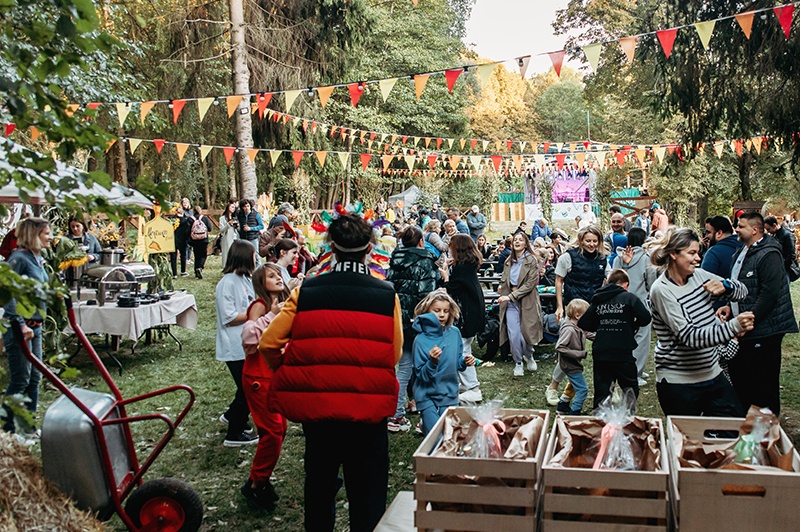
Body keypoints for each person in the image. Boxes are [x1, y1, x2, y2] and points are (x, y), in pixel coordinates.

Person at [259, 213, 403, 532]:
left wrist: (289, 369)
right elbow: (393, 353)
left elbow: (269, 343)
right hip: (368, 412)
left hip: (319, 409)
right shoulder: (385, 294)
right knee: (368, 493)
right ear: (369, 249)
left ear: (331, 247)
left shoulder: (306, 291)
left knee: (320, 487)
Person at [649, 228, 754, 416]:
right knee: (688, 442)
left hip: (712, 374)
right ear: (674, 254)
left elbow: (743, 291)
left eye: (698, 253)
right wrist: (734, 327)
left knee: (734, 430)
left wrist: (726, 287)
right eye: (692, 253)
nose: (698, 258)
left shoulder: (700, 276)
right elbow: (691, 337)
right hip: (678, 383)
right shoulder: (662, 290)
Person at [727, 213, 798, 416]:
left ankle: (766, 432)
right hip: (746, 327)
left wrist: (749, 318)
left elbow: (770, 293)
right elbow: (737, 284)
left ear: (755, 230)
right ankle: (747, 423)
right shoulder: (742, 250)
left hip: (765, 330)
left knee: (763, 385)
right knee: (742, 378)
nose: (737, 230)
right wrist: (728, 306)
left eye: (741, 226)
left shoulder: (769, 254)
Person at [239, 264, 289, 510]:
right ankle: (256, 483)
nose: (278, 278)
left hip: (274, 374)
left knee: (280, 428)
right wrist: (272, 316)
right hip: (259, 376)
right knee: (272, 431)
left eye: (278, 274)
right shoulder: (260, 305)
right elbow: (248, 338)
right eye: (271, 276)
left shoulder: (281, 301)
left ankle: (260, 479)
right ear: (261, 282)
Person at [385, 225, 441, 432]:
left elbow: (389, 288)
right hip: (419, 320)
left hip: (399, 318)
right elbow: (427, 295)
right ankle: (415, 416)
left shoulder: (394, 261)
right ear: (420, 242)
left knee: (405, 367)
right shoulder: (425, 262)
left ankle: (402, 410)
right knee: (424, 367)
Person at [2, 218, 52, 437]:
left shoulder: (37, 258)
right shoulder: (18, 259)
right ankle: (7, 429)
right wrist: (20, 325)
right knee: (20, 379)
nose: (51, 237)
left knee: (34, 378)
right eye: (46, 233)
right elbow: (8, 295)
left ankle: (29, 427)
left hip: (36, 326)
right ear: (34, 235)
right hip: (20, 328)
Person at [546, 226, 606, 406]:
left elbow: (606, 281)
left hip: (594, 309)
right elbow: (559, 280)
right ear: (581, 240)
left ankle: (608, 388)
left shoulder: (602, 259)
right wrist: (559, 307)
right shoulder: (568, 257)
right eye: (588, 241)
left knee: (603, 350)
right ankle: (552, 387)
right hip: (574, 310)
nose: (592, 244)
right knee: (569, 354)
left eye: (595, 241)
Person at [578, 269, 651, 409]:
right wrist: (631, 325)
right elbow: (646, 318)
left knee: (602, 389)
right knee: (630, 387)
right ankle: (627, 416)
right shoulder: (629, 298)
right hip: (622, 350)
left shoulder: (598, 299)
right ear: (625, 284)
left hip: (601, 350)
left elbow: (584, 323)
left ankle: (600, 419)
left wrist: (601, 326)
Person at [215, 240, 260, 447]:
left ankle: (233, 417)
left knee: (246, 387)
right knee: (247, 389)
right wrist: (257, 313)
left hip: (247, 342)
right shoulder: (227, 283)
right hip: (234, 345)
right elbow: (229, 316)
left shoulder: (245, 279)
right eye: (253, 255)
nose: (256, 258)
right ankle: (234, 433)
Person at [412, 290, 476, 434]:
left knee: (448, 435)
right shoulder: (420, 340)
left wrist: (464, 361)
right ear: (427, 311)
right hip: (426, 395)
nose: (442, 315)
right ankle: (427, 423)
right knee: (435, 437)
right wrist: (432, 362)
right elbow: (421, 375)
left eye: (446, 311)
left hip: (449, 393)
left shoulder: (454, 333)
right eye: (437, 310)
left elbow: (457, 362)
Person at [440, 234, 485, 405]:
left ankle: (472, 387)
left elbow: (450, 289)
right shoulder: (468, 266)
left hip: (466, 316)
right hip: (473, 312)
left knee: (463, 350)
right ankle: (468, 386)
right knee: (464, 349)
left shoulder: (462, 268)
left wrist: (445, 276)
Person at [613, 227, 657, 385]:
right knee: (642, 338)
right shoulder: (646, 259)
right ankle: (635, 372)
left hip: (620, 301)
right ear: (644, 240)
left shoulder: (618, 257)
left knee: (626, 338)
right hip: (639, 302)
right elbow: (651, 281)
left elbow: (612, 276)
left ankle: (632, 370)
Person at [497, 232, 543, 377]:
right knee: (514, 334)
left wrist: (511, 296)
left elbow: (530, 284)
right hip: (510, 302)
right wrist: (502, 288)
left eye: (520, 240)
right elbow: (504, 279)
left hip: (526, 300)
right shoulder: (508, 261)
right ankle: (518, 362)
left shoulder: (532, 260)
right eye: (515, 240)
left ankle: (529, 355)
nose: (517, 242)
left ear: (525, 243)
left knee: (526, 334)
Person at [555, 299, 591, 415]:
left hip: (573, 363)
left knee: (573, 385)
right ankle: (575, 412)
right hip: (570, 364)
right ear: (577, 315)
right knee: (582, 389)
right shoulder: (569, 330)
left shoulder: (578, 327)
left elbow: (586, 333)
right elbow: (560, 347)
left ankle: (562, 406)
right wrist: (579, 354)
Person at [238, 199, 264, 267]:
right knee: (244, 255)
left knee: (256, 255)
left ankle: (258, 270)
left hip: (253, 237)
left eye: (248, 206)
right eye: (244, 207)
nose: (246, 208)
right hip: (243, 237)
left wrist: (251, 228)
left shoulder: (256, 215)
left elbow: (261, 226)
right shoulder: (240, 215)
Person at [189, 205, 212, 279]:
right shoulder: (204, 218)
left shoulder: (191, 219)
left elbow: (187, 230)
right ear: (200, 210)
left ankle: (196, 273)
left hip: (195, 240)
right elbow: (209, 228)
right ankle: (200, 267)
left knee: (196, 255)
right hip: (203, 239)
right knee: (203, 255)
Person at [170, 206, 193, 277]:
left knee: (173, 257)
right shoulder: (185, 220)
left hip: (172, 239)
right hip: (182, 240)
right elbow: (187, 231)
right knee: (183, 255)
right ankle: (183, 271)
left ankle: (174, 273)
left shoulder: (171, 220)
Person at [219, 199, 240, 268]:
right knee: (227, 253)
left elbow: (238, 229)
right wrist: (228, 224)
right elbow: (221, 230)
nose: (233, 209)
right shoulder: (222, 218)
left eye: (234, 207)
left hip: (235, 237)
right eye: (231, 207)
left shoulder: (235, 217)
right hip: (227, 238)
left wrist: (237, 226)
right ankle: (226, 267)